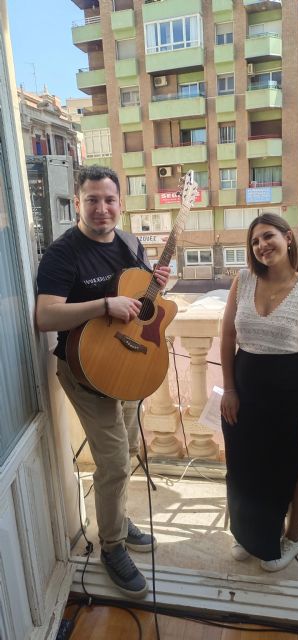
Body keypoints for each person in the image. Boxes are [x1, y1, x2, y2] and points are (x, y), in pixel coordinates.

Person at [36, 165, 171, 598]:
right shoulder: (63, 253)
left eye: (109, 199)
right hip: (83, 372)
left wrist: (157, 285)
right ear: (78, 203)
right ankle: (111, 546)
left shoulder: (130, 242)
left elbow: (141, 297)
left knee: (126, 450)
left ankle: (116, 518)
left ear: (120, 202)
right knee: (113, 462)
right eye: (92, 200)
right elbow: (45, 316)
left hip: (126, 364)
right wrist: (102, 305)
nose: (101, 208)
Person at [220, 213, 298, 572]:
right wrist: (229, 389)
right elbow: (226, 338)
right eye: (254, 241)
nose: (261, 246)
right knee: (243, 469)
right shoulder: (242, 280)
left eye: (267, 236)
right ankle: (249, 534)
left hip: (289, 396)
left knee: (291, 471)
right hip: (245, 391)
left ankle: (293, 537)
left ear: (287, 237)